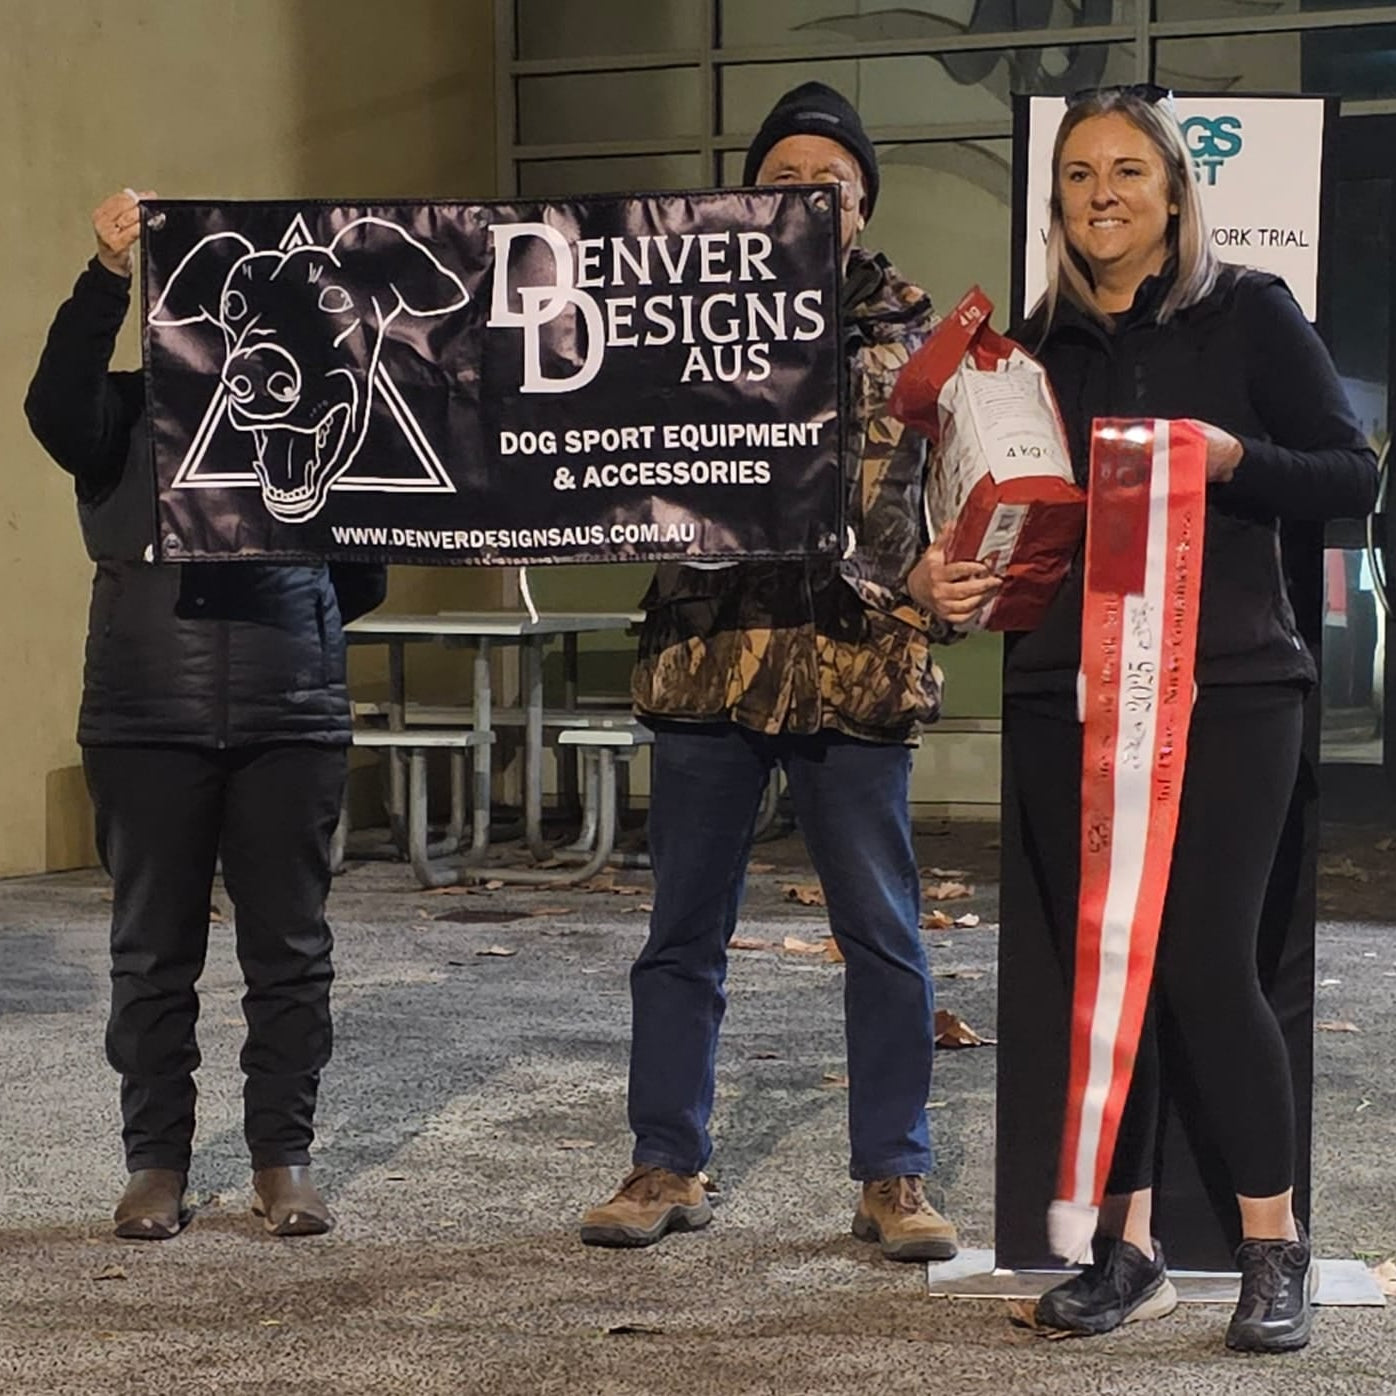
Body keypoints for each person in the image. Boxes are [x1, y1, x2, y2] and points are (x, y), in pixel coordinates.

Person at [915, 87, 1377, 1352]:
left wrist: (1235, 460)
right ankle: (1127, 1252)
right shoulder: (1028, 350)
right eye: (1076, 174)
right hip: (1064, 690)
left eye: (1127, 169)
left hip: (1228, 686)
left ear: (1176, 192)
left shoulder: (1251, 315)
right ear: (1054, 201)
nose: (1100, 191)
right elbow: (990, 514)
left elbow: (1353, 473)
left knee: (1204, 964)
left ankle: (1274, 1244)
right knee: (1099, 976)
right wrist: (949, 576)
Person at [581, 83, 980, 1260]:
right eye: (780, 174)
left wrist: (939, 595)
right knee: (680, 935)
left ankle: (893, 1176)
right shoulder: (672, 317)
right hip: (706, 662)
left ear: (861, 207)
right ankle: (665, 1161)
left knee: (886, 935)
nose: (805, 191)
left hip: (856, 674)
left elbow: (949, 510)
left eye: (830, 178)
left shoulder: (922, 344)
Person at [25, 190, 387, 1240]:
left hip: (292, 713)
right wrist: (103, 274)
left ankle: (284, 1160)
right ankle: (156, 1165)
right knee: (151, 954)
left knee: (291, 953)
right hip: (145, 715)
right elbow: (53, 407)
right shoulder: (121, 414)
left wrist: (291, 614)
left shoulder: (332, 428)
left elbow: (360, 570)